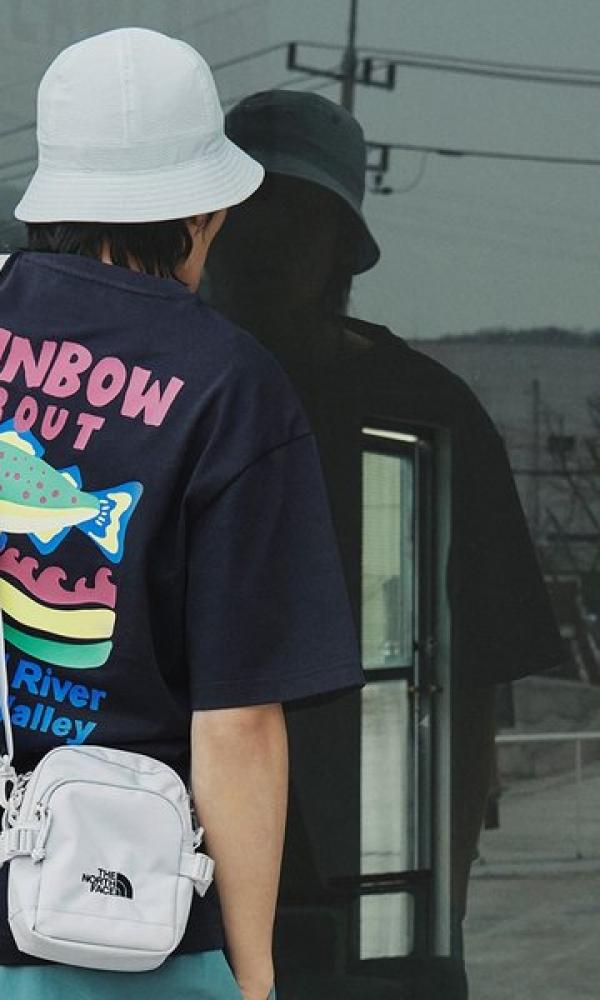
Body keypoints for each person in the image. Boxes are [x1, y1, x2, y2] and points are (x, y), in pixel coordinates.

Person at [0, 31, 363, 1000]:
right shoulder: (228, 383)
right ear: (207, 211)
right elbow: (237, 725)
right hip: (124, 948)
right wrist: (255, 977)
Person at [208, 90, 564, 997]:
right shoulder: (154, 399)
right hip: (175, 873)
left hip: (366, 875)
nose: (263, 239)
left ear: (340, 245)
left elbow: (473, 682)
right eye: (243, 209)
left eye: (294, 215)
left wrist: (437, 911)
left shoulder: (424, 414)